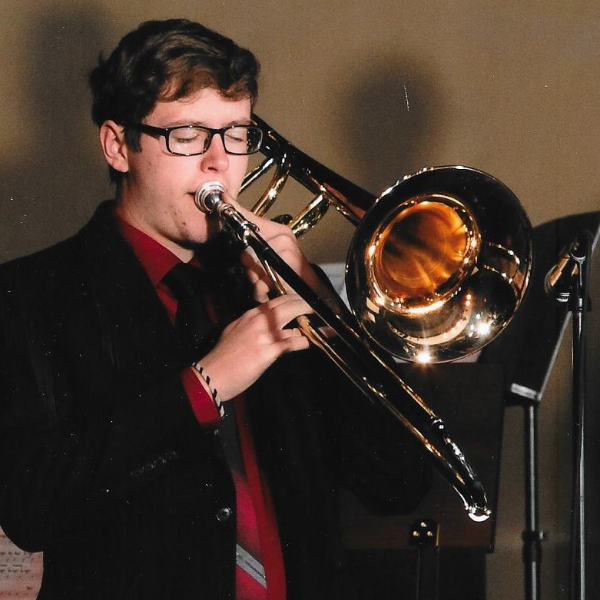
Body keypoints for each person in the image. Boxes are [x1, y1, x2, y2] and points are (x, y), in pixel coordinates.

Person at [0, 18, 428, 599]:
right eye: (187, 135)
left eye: (235, 134)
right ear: (118, 146)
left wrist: (317, 301)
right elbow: (30, 506)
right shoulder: (30, 295)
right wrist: (205, 386)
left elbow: (400, 480)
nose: (218, 163)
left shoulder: (270, 288)